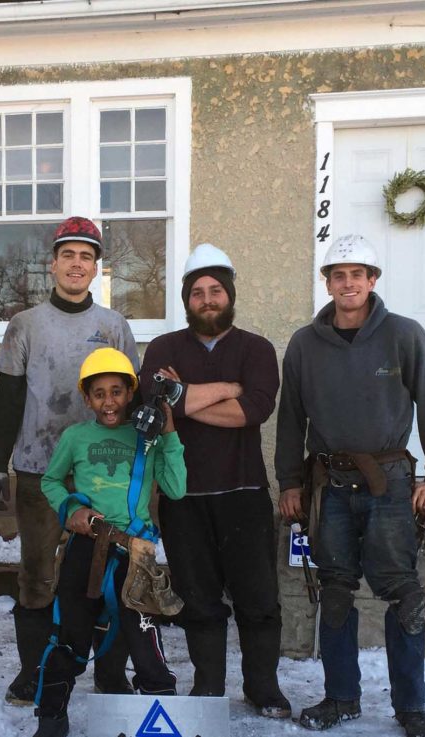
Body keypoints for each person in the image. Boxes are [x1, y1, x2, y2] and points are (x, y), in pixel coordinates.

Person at [275, 234, 425, 737]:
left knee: (405, 596)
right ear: (327, 283)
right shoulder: (304, 344)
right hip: (328, 484)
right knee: (333, 592)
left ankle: (410, 708)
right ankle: (340, 698)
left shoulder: (404, 335)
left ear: (372, 281)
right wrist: (289, 482)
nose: (348, 282)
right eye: (338, 275)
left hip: (390, 484)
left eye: (358, 274)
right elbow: (290, 418)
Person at [0, 216, 139, 704]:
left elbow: (131, 403)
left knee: (105, 576)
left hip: (105, 473)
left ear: (97, 268)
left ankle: (109, 675)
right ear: (52, 264)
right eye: (68, 255)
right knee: (38, 576)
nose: (77, 264)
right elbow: (7, 399)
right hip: (38, 472)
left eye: (86, 256)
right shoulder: (24, 325)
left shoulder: (114, 327)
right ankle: (33, 672)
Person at [139, 242, 290, 717]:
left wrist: (185, 397)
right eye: (198, 292)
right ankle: (207, 686)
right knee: (198, 599)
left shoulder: (256, 348)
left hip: (243, 492)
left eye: (216, 291)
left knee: (258, 598)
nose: (207, 300)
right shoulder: (163, 348)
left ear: (230, 296)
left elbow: (254, 411)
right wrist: (224, 389)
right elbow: (158, 406)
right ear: (187, 300)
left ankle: (262, 687)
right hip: (182, 495)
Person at [33, 348, 185, 737]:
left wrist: (168, 435)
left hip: (134, 554)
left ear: (130, 393)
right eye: (98, 393)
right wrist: (71, 509)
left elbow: (176, 488)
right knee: (70, 636)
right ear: (87, 398)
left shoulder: (146, 439)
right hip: (87, 550)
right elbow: (50, 481)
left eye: (117, 392)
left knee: (144, 638)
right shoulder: (76, 437)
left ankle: (161, 716)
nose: (108, 402)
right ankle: (51, 717)